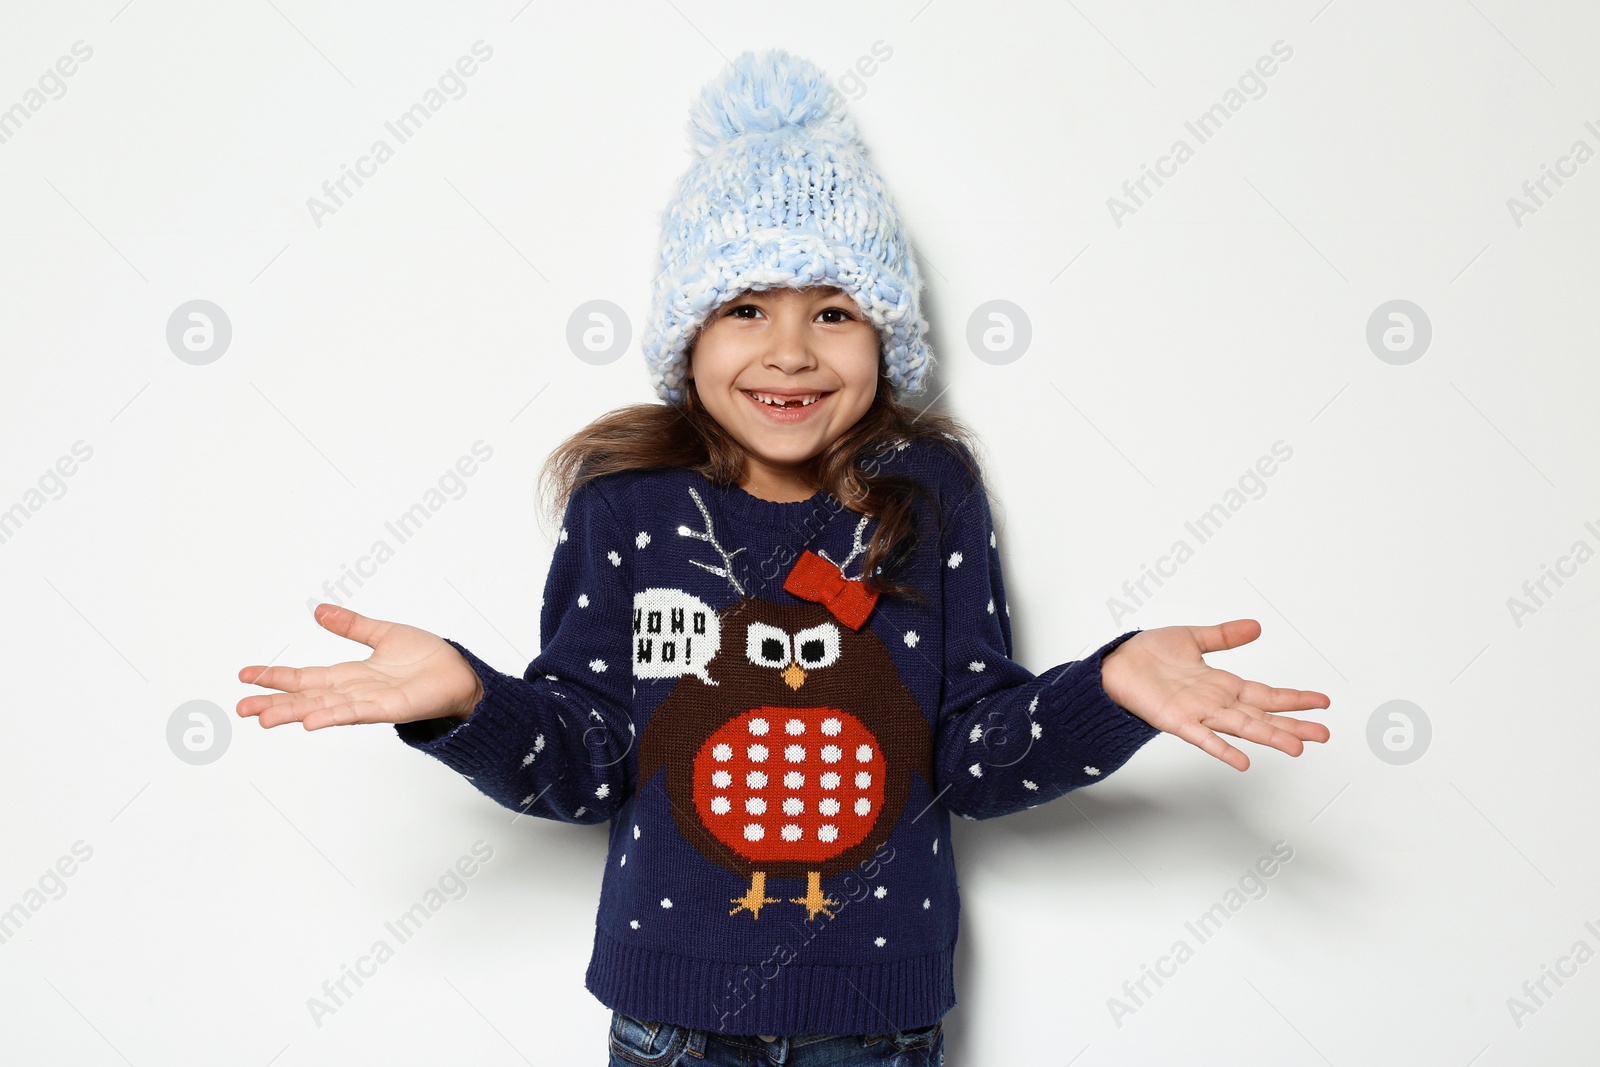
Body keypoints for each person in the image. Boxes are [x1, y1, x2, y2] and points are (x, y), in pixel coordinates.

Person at [236, 48, 1330, 1066]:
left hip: (879, 1020)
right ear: (689, 335)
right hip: (673, 1019)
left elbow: (973, 758)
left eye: (835, 311)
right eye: (746, 306)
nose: (790, 351)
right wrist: (468, 698)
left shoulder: (928, 492)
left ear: (884, 337)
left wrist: (1114, 684)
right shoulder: (625, 504)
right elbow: (589, 757)